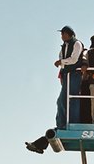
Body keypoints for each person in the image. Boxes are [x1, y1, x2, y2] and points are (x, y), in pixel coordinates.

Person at [24, 25, 84, 154]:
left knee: (72, 99)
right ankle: (62, 125)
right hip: (67, 74)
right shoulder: (64, 46)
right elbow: (63, 59)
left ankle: (71, 123)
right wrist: (61, 63)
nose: (62, 36)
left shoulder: (77, 43)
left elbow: (74, 59)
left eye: (63, 34)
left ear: (69, 34)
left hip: (74, 74)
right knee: (61, 101)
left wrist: (61, 62)